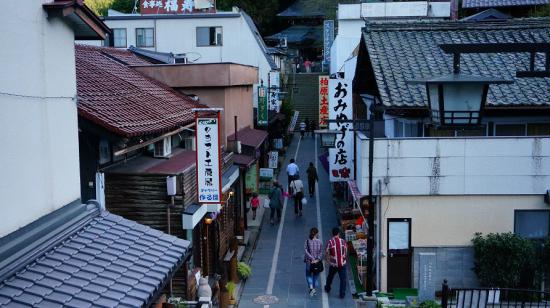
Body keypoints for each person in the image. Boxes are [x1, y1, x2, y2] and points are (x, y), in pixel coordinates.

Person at [324, 227, 348, 298]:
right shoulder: (343, 241)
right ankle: (342, 294)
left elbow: (327, 252)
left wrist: (327, 261)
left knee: (330, 277)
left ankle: (327, 288)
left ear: (332, 234)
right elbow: (346, 251)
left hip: (333, 264)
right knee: (343, 279)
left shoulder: (330, 242)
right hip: (342, 264)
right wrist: (343, 258)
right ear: (338, 233)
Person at [304, 227, 323, 296]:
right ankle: (313, 287)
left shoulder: (307, 241)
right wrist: (317, 259)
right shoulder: (319, 242)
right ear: (317, 234)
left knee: (308, 275)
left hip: (309, 262)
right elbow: (321, 252)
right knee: (315, 275)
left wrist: (311, 258)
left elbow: (306, 251)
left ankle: (311, 288)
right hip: (317, 263)